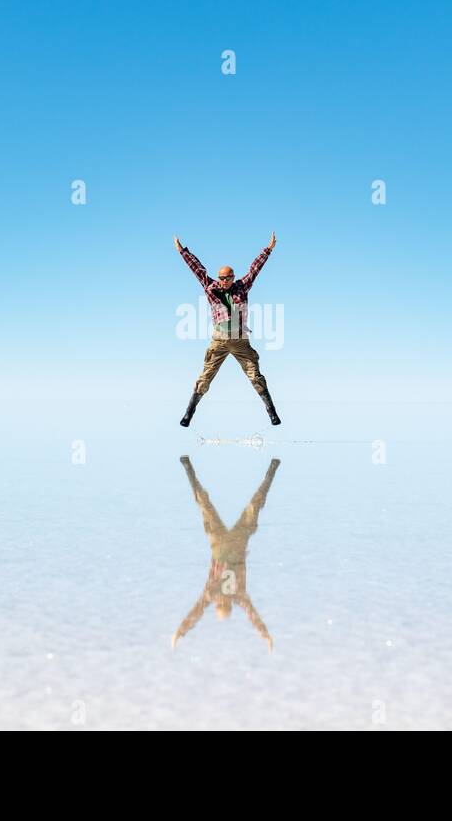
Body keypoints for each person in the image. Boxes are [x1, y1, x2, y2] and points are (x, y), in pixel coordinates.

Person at [171, 456, 279, 652]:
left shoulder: (228, 595)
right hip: (229, 545)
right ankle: (272, 469)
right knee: (219, 505)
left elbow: (195, 613)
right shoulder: (231, 596)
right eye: (223, 604)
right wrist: (266, 636)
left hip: (224, 546)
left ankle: (273, 468)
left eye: (221, 604)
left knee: (209, 505)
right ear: (227, 605)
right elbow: (253, 617)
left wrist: (180, 632)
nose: (222, 600)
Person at [173, 232, 281, 426]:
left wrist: (268, 249)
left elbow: (255, 269)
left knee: (255, 375)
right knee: (205, 378)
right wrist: (183, 251)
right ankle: (188, 414)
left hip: (240, 341)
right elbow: (197, 269)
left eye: (227, 278)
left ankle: (272, 412)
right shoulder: (210, 287)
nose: (223, 281)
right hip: (220, 341)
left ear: (233, 277)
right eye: (221, 277)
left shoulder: (242, 287)